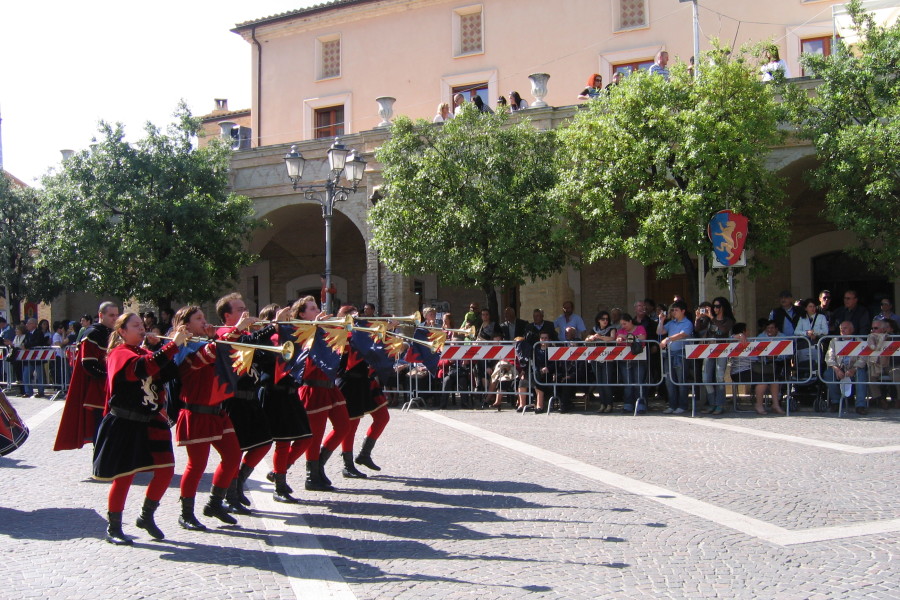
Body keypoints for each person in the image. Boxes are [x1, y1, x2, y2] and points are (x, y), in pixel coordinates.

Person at [91, 313, 189, 545]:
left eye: (142, 326)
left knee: (166, 470)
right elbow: (141, 370)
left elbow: (169, 373)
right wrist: (170, 347)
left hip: (151, 419)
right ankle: (113, 527)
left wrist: (166, 348)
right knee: (125, 476)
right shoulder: (118, 353)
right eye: (135, 326)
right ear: (122, 331)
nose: (142, 329)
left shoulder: (146, 353)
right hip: (126, 421)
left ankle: (146, 516)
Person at [173, 304, 251, 530]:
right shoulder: (184, 349)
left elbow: (224, 355)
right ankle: (186, 513)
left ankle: (215, 502)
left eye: (203, 318)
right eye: (199, 319)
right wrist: (234, 330)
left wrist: (228, 335)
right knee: (196, 465)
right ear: (186, 325)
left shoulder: (206, 343)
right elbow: (208, 356)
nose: (205, 322)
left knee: (233, 456)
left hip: (217, 411)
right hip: (196, 412)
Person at [215, 292, 291, 514]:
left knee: (264, 441)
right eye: (239, 310)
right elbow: (244, 343)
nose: (245, 313)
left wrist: (279, 333)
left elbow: (259, 353)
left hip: (250, 397)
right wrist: (272, 326)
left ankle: (239, 482)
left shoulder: (244, 334)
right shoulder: (224, 334)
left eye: (244, 308)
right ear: (227, 315)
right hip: (233, 400)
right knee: (236, 449)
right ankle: (230, 494)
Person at [292, 295, 351, 491]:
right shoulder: (299, 332)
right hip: (313, 387)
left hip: (329, 386)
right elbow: (302, 355)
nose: (317, 311)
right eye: (312, 308)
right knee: (314, 436)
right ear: (302, 314)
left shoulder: (324, 330)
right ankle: (311, 476)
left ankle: (319, 466)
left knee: (343, 427)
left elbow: (347, 340)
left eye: (316, 307)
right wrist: (315, 328)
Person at [256, 304, 312, 503]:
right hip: (274, 393)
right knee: (282, 442)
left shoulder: (290, 335)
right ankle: (279, 486)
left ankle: (278, 472)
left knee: (305, 437)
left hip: (290, 392)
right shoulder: (267, 338)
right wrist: (275, 326)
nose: (288, 319)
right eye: (283, 316)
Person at [55, 302, 120, 451]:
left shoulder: (117, 333)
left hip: (115, 388)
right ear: (101, 315)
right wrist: (109, 377)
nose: (115, 318)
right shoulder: (92, 334)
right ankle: (100, 460)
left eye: (116, 315)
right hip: (99, 389)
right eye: (111, 315)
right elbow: (88, 365)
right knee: (102, 425)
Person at [823, 321, 868, 415]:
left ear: (852, 330)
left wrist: (854, 369)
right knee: (828, 374)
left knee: (862, 374)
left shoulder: (859, 340)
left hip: (854, 368)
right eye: (841, 329)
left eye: (845, 328)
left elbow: (863, 358)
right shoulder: (834, 341)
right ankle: (836, 402)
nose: (842, 330)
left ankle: (860, 405)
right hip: (839, 367)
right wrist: (836, 369)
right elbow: (829, 357)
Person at [701, 297, 735, 415]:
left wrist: (712, 318)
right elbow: (697, 329)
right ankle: (712, 403)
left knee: (719, 376)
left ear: (723, 307)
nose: (715, 309)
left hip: (722, 350)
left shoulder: (728, 320)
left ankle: (720, 404)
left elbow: (724, 329)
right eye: (714, 306)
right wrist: (698, 318)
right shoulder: (709, 320)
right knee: (706, 378)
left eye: (717, 306)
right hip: (709, 350)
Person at [658, 300, 693, 414]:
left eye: (676, 310)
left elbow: (682, 334)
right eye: (672, 310)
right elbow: (660, 331)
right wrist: (661, 321)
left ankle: (683, 405)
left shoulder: (687, 323)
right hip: (670, 354)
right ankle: (672, 405)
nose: (674, 312)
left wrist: (668, 339)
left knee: (681, 380)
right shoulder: (671, 323)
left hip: (681, 353)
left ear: (683, 311)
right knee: (669, 380)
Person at [752, 320, 788, 415]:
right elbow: (755, 352)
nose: (770, 330)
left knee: (775, 379)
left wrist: (776, 356)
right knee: (766, 379)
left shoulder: (783, 337)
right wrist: (765, 355)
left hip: (779, 362)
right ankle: (760, 404)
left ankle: (776, 403)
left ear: (776, 329)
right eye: (768, 328)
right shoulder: (760, 337)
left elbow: (787, 354)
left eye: (772, 328)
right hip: (764, 363)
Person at [616, 313, 647, 414]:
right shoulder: (620, 331)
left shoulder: (640, 328)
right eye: (621, 324)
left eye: (625, 324)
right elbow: (618, 339)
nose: (623, 326)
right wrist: (620, 339)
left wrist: (626, 337)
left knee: (639, 382)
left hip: (639, 359)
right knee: (628, 383)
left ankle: (641, 404)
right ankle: (628, 404)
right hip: (625, 361)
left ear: (630, 321)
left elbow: (642, 337)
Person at [586, 311, 617, 413]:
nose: (605, 321)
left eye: (607, 319)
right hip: (596, 358)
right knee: (599, 382)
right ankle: (602, 404)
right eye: (603, 319)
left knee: (606, 381)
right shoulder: (594, 329)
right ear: (598, 320)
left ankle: (609, 404)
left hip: (607, 358)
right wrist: (591, 338)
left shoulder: (611, 329)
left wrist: (599, 337)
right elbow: (586, 339)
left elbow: (612, 338)